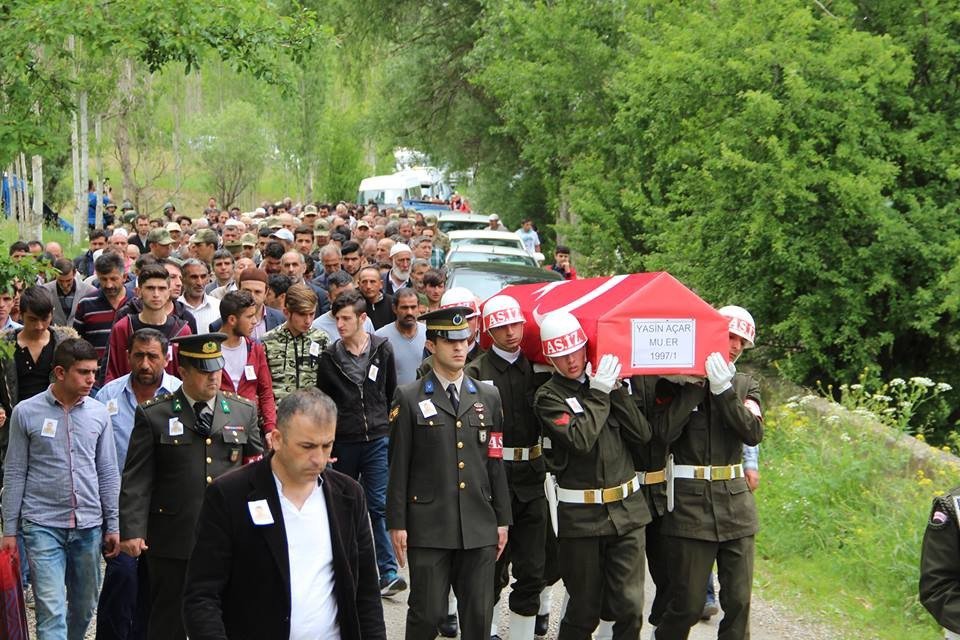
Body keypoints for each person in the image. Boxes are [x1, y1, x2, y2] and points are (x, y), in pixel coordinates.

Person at [182, 388, 386, 639]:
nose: (319, 459)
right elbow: (201, 596)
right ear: (276, 439)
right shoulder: (229, 495)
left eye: (327, 446)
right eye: (307, 446)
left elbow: (366, 593)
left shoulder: (349, 495)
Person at [119, 333, 263, 640]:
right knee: (169, 616)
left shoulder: (242, 411)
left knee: (225, 613)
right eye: (204, 370)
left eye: (216, 368)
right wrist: (133, 530)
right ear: (183, 371)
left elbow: (258, 466)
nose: (213, 377)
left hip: (227, 533)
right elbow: (138, 477)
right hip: (174, 534)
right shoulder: (155, 414)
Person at [386, 305, 511, 640]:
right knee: (426, 614)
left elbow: (495, 462)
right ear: (431, 345)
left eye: (465, 340)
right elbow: (398, 465)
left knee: (479, 616)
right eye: (449, 341)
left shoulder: (488, 396)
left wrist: (502, 519)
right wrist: (396, 523)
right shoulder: (410, 397)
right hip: (429, 524)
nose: (459, 348)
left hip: (478, 523)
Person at [534, 310, 652, 640]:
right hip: (582, 519)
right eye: (561, 354)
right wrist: (599, 393)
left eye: (576, 350)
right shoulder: (548, 397)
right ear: (549, 357)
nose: (571, 360)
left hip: (627, 512)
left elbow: (642, 435)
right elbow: (580, 440)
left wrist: (617, 391)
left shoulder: (606, 385)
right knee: (584, 610)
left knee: (629, 606)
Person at [653, 305, 763, 640]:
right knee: (687, 603)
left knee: (739, 601)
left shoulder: (746, 385)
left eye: (741, 342)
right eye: (730, 336)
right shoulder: (674, 382)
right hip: (690, 506)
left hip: (736, 507)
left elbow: (752, 433)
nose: (734, 346)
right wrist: (694, 389)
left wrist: (724, 391)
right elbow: (662, 433)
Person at [1, 338, 121, 639]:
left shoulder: (98, 414)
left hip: (88, 526)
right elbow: (15, 471)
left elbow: (107, 470)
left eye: (94, 371)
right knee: (50, 610)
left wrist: (114, 524)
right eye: (83, 372)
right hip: (42, 524)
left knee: (82, 609)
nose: (92, 379)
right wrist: (10, 531)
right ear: (60, 372)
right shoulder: (26, 413)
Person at [466, 295, 546, 640]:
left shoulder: (539, 370)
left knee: (533, 569)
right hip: (492, 480)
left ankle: (522, 635)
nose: (510, 333)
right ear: (489, 330)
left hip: (533, 478)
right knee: (489, 567)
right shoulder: (476, 373)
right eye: (501, 327)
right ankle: (488, 630)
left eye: (515, 324)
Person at [95, 329, 182, 640]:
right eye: (138, 356)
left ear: (166, 358)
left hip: (167, 507)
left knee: (155, 585)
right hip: (122, 503)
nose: (145, 364)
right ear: (127, 355)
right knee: (121, 577)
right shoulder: (107, 396)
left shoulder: (180, 395)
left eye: (153, 356)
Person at [316, 290, 403, 596]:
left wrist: (391, 430)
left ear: (362, 319)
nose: (339, 324)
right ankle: (344, 567)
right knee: (343, 503)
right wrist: (326, 445)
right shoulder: (328, 358)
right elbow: (325, 405)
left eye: (346, 318)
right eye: (336, 318)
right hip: (344, 441)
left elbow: (392, 393)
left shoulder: (382, 348)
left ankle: (388, 570)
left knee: (378, 505)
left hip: (377, 437)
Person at [105, 264, 192, 383]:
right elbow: (112, 372)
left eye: (161, 289)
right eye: (150, 288)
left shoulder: (182, 331)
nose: (156, 294)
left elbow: (187, 374)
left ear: (168, 292)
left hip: (171, 398)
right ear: (138, 292)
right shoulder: (123, 328)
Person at [218, 291, 277, 439]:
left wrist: (270, 428)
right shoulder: (208, 349)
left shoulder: (255, 349)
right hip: (218, 427)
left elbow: (266, 392)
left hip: (250, 428)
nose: (255, 322)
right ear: (232, 319)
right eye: (249, 317)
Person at [262, 284, 329, 402]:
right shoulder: (268, 341)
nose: (308, 321)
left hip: (312, 413)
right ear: (286, 312)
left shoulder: (321, 339)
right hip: (279, 414)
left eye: (311, 314)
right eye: (302, 314)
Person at [74, 251, 129, 376]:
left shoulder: (137, 304)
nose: (109, 285)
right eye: (103, 279)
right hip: (95, 378)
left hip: (128, 376)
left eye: (113, 279)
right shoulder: (86, 304)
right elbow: (77, 342)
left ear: (124, 277)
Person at [375, 288, 426, 385]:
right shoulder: (380, 337)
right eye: (404, 308)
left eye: (413, 307)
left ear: (419, 307)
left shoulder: (429, 334)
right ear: (394, 308)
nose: (409, 312)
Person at [311, 271, 375, 344]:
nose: (346, 300)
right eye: (340, 296)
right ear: (329, 297)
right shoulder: (317, 327)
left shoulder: (364, 321)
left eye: (350, 294)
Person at [41, 259, 96, 326]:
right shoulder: (44, 291)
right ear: (54, 274)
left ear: (75, 273)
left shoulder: (89, 291)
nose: (65, 285)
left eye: (68, 280)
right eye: (60, 281)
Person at [180, 259, 221, 333]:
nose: (199, 282)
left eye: (203, 276)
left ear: (208, 278)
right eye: (194, 277)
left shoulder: (218, 306)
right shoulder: (175, 307)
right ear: (183, 279)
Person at [358, 265, 395, 330]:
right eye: (364, 282)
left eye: (372, 282)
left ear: (381, 284)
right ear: (359, 284)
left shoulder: (392, 303)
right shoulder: (354, 304)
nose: (368, 286)